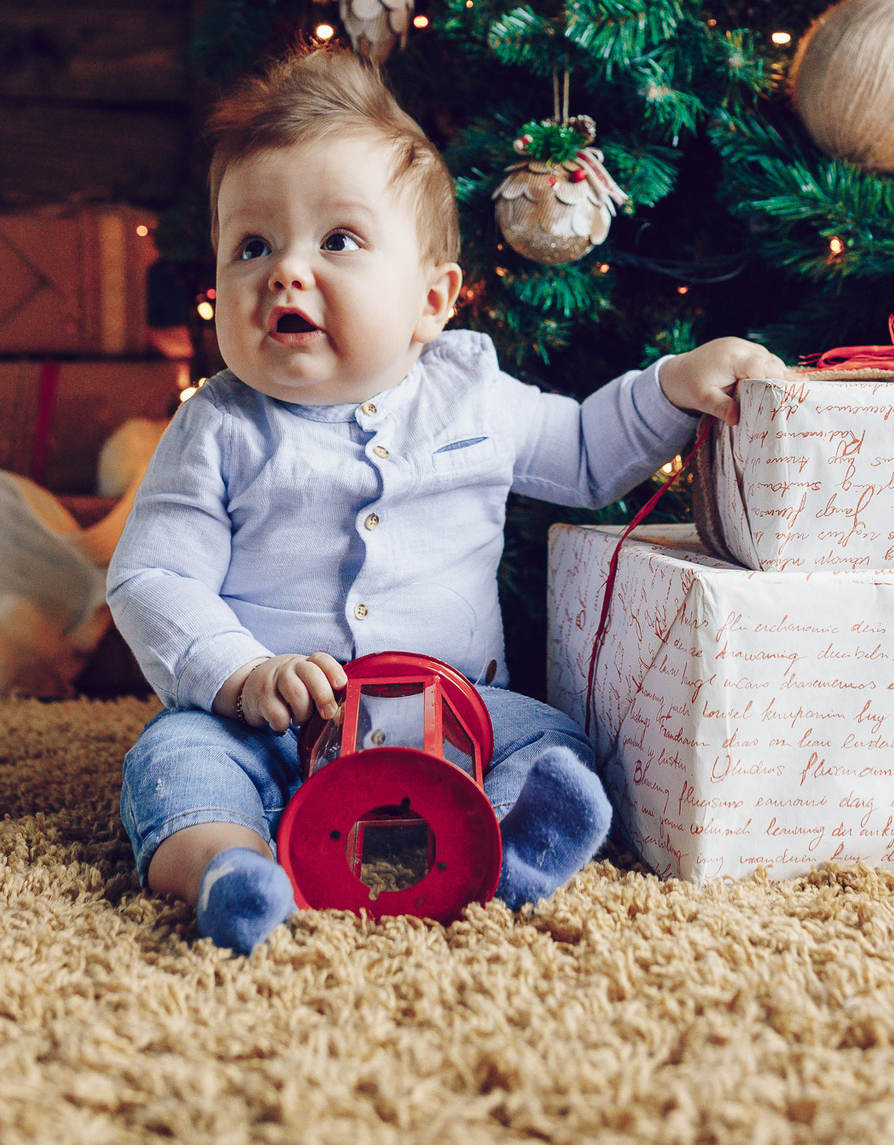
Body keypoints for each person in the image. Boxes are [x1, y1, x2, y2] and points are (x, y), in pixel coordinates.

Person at [106, 46, 784, 954]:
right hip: (271, 718)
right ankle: (229, 865)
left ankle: (501, 846)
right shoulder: (221, 426)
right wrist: (237, 671)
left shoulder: (471, 392)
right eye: (252, 245)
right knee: (173, 760)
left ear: (432, 300)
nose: (285, 272)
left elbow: (584, 453)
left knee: (554, 744)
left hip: (457, 709)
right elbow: (152, 573)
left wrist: (671, 384)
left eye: (337, 240)